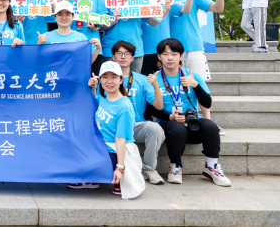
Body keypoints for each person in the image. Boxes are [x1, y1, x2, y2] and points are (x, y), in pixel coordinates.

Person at [146, 38, 231, 187]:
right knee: (177, 128)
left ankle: (212, 167)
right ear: (159, 56)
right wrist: (170, 117)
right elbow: (150, 109)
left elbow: (207, 103)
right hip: (168, 125)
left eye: (174, 54)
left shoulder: (193, 75)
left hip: (192, 123)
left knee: (211, 126)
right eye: (165, 54)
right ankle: (176, 166)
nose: (170, 58)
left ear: (181, 56)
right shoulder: (154, 79)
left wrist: (195, 85)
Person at [166, 0, 225, 133]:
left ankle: (209, 123)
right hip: (170, 51)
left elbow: (218, 8)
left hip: (193, 47)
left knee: (199, 85)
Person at [110, 40, 166, 185]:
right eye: (119, 53)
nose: (123, 56)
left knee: (155, 128)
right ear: (113, 57)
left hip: (135, 126)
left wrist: (156, 86)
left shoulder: (142, 79)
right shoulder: (106, 79)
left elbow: (159, 106)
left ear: (132, 58)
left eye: (127, 53)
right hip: (111, 127)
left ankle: (149, 169)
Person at [87, 61, 139, 197]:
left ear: (121, 80)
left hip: (116, 150)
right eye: (105, 77)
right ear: (100, 79)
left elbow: (121, 139)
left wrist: (120, 167)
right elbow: (92, 105)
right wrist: (93, 88)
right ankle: (93, 178)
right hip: (101, 146)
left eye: (114, 77)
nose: (109, 81)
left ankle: (115, 178)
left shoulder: (124, 106)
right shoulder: (103, 97)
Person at [101, 0, 167, 72]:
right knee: (111, 79)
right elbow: (100, 27)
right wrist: (113, 19)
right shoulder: (105, 1)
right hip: (111, 48)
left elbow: (152, 22)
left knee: (134, 79)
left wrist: (164, 11)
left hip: (135, 47)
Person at [63, 0, 106, 72]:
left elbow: (103, 19)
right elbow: (58, 17)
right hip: (70, 45)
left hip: (92, 45)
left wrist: (96, 27)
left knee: (93, 78)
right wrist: (66, 0)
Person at [138, 0, 182, 75]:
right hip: (143, 49)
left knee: (165, 78)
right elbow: (152, 22)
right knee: (146, 78)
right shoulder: (135, 1)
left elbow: (186, 9)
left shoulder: (165, 0)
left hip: (163, 49)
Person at [37, 1, 101, 63]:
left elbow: (86, 62)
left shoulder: (81, 38)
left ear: (73, 17)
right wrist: (39, 44)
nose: (64, 18)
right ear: (55, 17)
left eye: (67, 14)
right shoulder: (46, 37)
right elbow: (38, 61)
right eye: (60, 14)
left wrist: (98, 49)